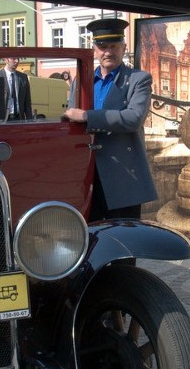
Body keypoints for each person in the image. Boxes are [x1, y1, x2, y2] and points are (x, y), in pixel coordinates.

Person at [62, 18, 157, 221]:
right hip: (87, 176)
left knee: (125, 241)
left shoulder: (139, 79)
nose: (108, 52)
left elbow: (133, 118)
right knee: (91, 237)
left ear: (124, 47)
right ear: (94, 49)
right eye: (103, 46)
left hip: (123, 178)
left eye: (114, 46)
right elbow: (71, 123)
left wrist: (87, 116)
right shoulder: (82, 82)